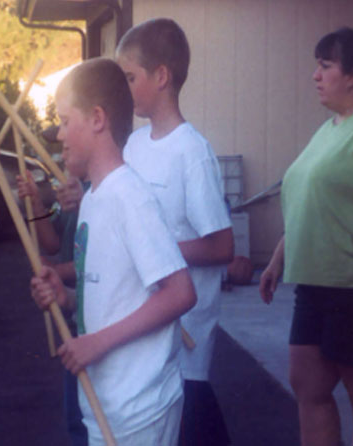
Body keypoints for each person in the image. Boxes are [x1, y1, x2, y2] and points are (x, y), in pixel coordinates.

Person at [30, 57, 197, 446]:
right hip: (107, 403)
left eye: (65, 119)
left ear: (97, 119)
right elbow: (111, 297)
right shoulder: (93, 199)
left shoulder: (131, 197)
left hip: (140, 409)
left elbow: (181, 292)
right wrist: (66, 297)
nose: (58, 133)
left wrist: (96, 343)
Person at [115, 18, 234, 446]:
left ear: (161, 76)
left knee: (192, 421)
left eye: (130, 77)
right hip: (147, 322)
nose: (123, 87)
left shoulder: (192, 152)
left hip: (187, 333)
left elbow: (222, 245)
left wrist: (159, 250)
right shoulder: (133, 145)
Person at [260, 27, 353, 446]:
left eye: (325, 66)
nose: (315, 76)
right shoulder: (330, 128)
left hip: (352, 291)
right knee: (308, 388)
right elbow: (308, 200)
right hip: (312, 288)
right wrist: (277, 259)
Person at [17, 134, 88, 445]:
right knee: (75, 417)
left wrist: (58, 272)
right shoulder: (69, 185)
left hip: (95, 315)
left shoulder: (99, 189)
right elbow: (52, 241)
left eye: (67, 128)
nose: (62, 145)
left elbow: (99, 261)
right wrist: (34, 201)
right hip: (74, 311)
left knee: (91, 415)